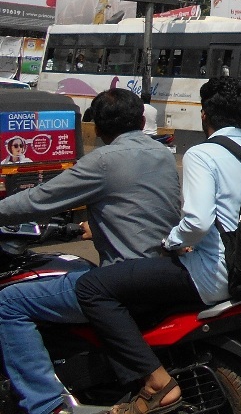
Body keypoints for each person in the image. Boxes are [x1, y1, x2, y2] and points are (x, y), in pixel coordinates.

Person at [74, 77, 241, 414]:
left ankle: (155, 381)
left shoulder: (203, 154)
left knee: (93, 288)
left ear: (204, 116)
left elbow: (197, 222)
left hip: (209, 273)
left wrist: (171, 241)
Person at [0, 89, 180, 414]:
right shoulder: (162, 155)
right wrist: (91, 228)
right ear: (141, 121)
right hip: (163, 274)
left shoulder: (103, 161)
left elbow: (37, 200)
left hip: (123, 285)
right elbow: (138, 208)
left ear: (96, 129)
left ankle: (45, 405)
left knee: (8, 303)